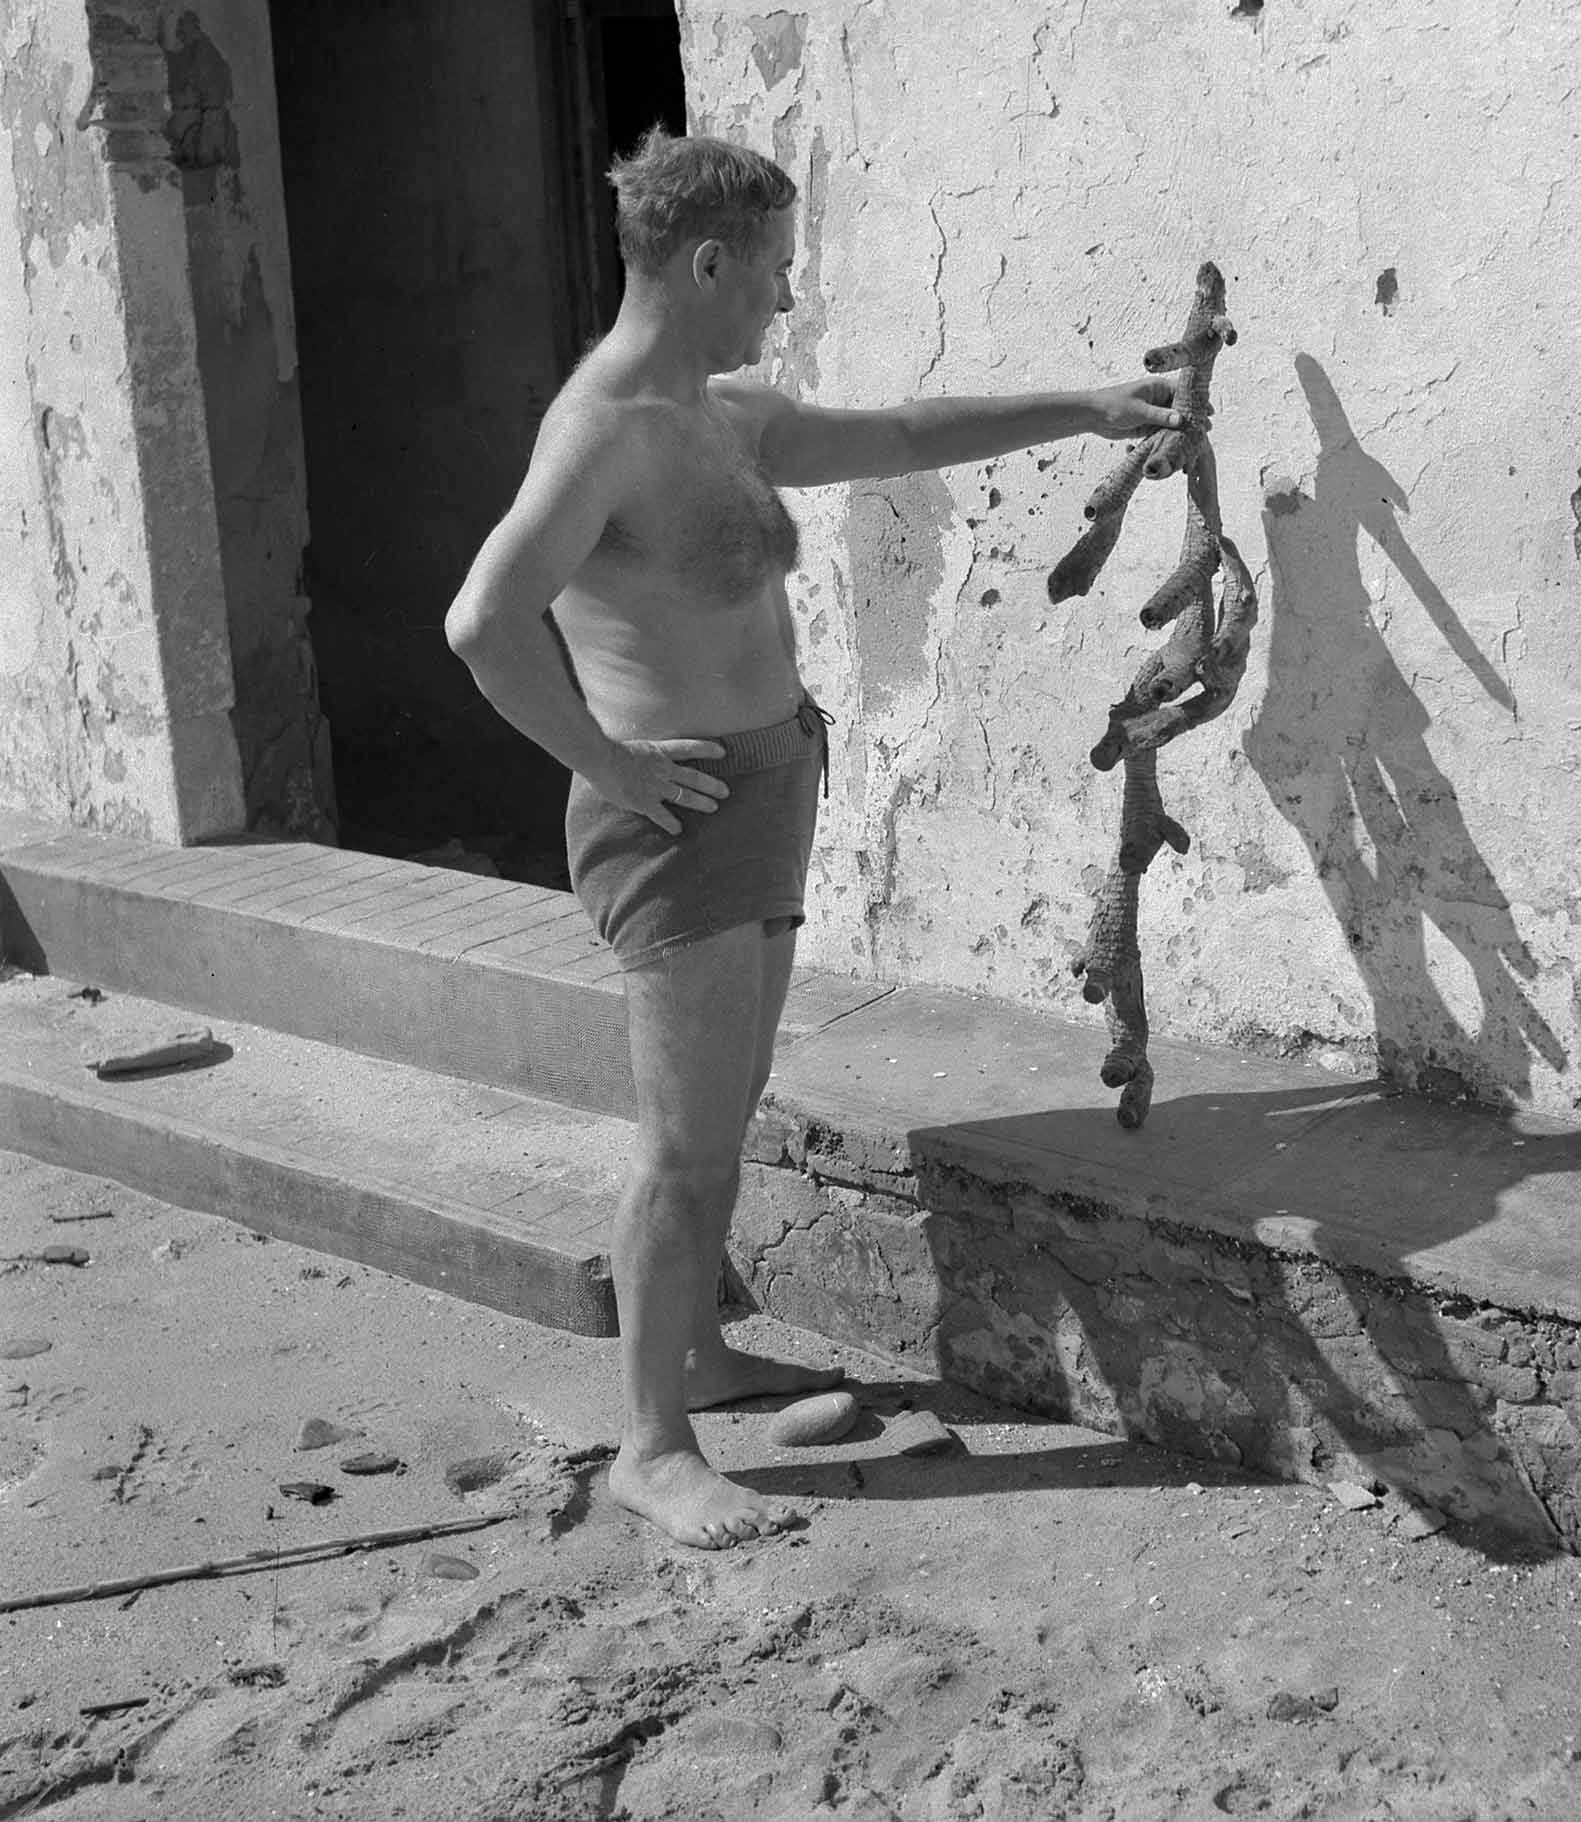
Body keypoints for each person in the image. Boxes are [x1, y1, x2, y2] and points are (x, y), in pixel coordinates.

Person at [446, 129, 1192, 1549]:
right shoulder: (606, 429)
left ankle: (705, 1361)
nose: (785, 298)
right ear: (707, 263)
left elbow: (905, 434)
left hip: (768, 782)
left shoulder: (725, 414)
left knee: (723, 1120)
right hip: (677, 817)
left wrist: (1089, 405)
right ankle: (651, 1444)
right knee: (683, 1150)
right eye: (774, 270)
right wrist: (603, 760)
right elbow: (483, 622)